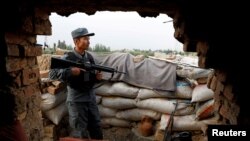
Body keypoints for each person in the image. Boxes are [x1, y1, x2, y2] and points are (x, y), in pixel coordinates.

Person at [49, 27, 103, 139]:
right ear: (76, 41)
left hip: (90, 98)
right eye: (85, 38)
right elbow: (52, 74)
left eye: (88, 39)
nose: (89, 41)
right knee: (79, 132)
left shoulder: (89, 57)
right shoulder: (68, 57)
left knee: (96, 128)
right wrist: (70, 71)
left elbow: (88, 76)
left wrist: (96, 78)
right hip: (77, 100)